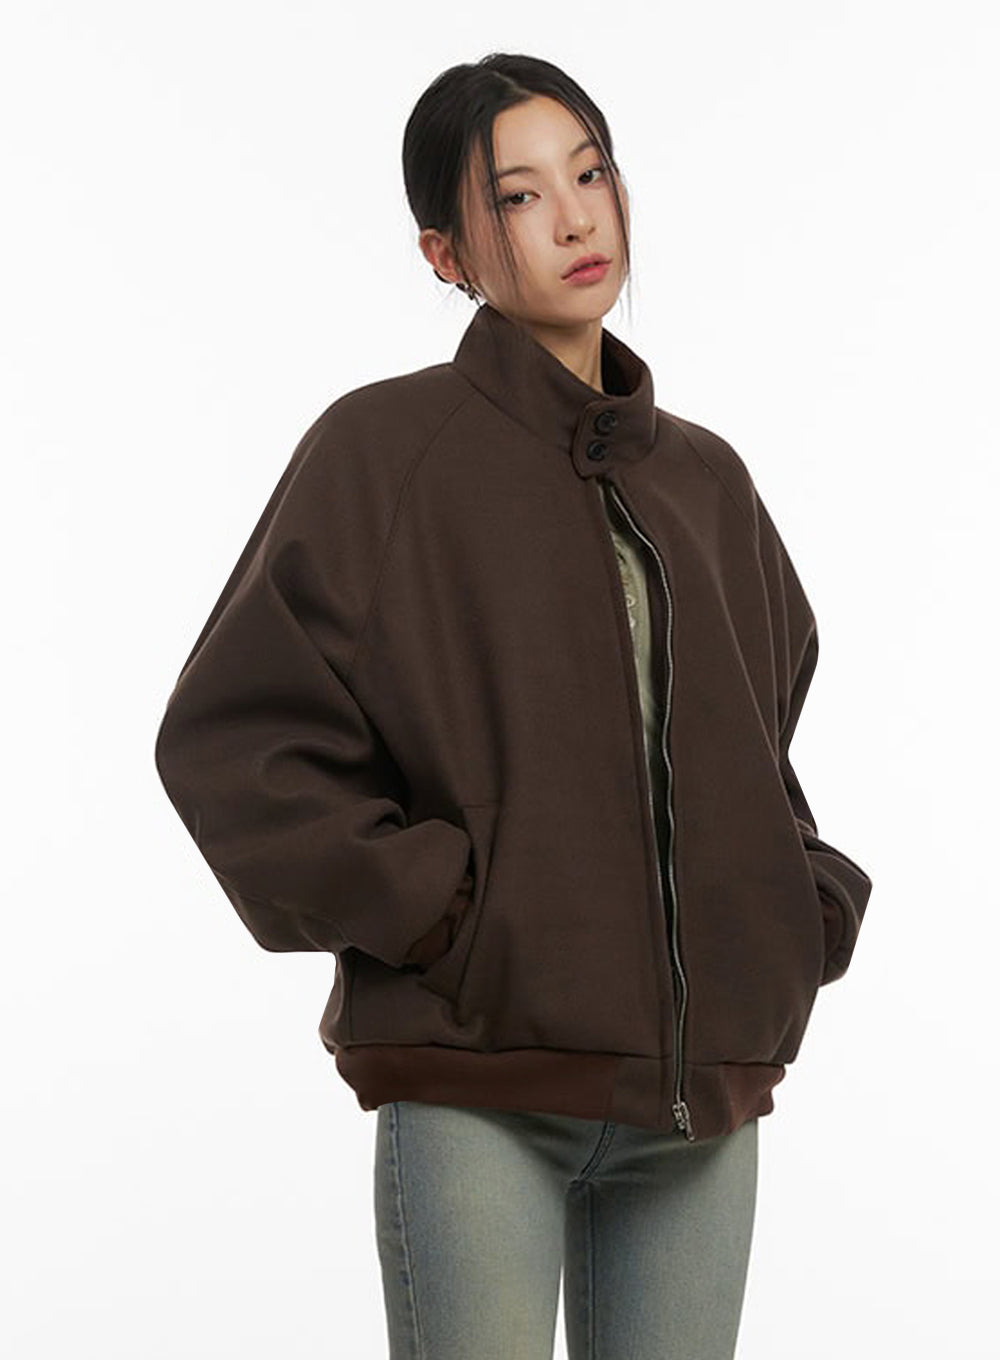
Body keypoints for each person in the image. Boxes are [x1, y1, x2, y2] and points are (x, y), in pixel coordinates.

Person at [154, 51, 873, 1360]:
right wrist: (435, 908)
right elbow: (236, 740)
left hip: (701, 1109)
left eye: (590, 175)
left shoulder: (705, 481)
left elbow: (757, 734)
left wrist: (791, 901)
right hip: (479, 1091)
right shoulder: (383, 453)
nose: (576, 219)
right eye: (520, 197)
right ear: (446, 254)